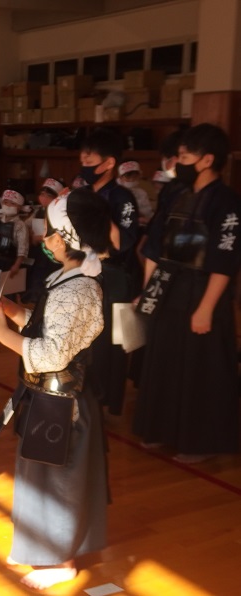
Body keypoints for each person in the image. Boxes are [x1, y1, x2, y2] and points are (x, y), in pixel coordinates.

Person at [0, 188, 112, 591]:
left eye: (53, 233)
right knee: (38, 475)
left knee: (57, 482)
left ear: (72, 239)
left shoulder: (80, 289)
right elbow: (50, 327)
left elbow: (53, 353)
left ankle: (60, 560)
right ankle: (39, 546)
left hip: (63, 402)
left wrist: (2, 334)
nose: (46, 238)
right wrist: (16, 313)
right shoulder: (65, 279)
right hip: (46, 397)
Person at [134, 123, 240, 463]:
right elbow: (155, 247)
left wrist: (206, 308)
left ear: (207, 160)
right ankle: (161, 431)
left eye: (184, 156)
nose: (178, 163)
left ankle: (199, 443)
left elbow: (225, 262)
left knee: (200, 367)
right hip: (169, 285)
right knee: (164, 359)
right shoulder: (175, 194)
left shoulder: (227, 202)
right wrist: (147, 292)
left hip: (203, 290)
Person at [78, 129, 139, 416]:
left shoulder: (122, 197)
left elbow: (123, 242)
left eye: (90, 159)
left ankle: (105, 402)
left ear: (109, 162)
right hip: (83, 271)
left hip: (113, 276)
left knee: (109, 343)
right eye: (82, 159)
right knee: (84, 337)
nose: (84, 164)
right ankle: (82, 395)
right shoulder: (83, 194)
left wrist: (101, 212)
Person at [23, 178, 65, 304]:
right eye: (42, 194)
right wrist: (29, 234)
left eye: (49, 196)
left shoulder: (60, 212)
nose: (44, 198)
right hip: (37, 251)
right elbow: (25, 225)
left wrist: (43, 238)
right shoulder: (38, 211)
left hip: (52, 254)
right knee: (35, 275)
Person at [117, 160, 153, 224]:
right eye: (128, 176)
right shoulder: (113, 192)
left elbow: (148, 213)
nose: (131, 179)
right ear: (120, 177)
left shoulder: (141, 193)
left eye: (134, 176)